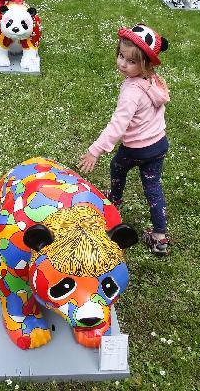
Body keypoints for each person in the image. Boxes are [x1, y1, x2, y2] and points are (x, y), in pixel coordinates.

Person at [78, 24, 171, 256]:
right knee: (153, 188)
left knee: (117, 166)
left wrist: (95, 150)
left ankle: (114, 200)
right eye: (121, 56)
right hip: (158, 145)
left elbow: (118, 125)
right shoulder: (154, 80)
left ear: (146, 64)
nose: (122, 63)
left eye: (130, 61)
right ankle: (160, 237)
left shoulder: (131, 92)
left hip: (136, 149)